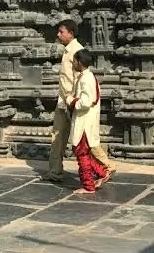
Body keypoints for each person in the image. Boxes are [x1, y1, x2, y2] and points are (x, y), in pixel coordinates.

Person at [46, 19, 117, 184]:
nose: (58, 35)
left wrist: (74, 102)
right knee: (58, 136)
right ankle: (55, 171)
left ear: (70, 33)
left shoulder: (77, 51)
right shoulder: (67, 50)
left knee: (84, 140)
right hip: (64, 101)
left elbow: (81, 78)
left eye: (61, 32)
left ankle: (106, 166)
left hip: (73, 102)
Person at [69, 49, 108, 194]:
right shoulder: (87, 76)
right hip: (85, 121)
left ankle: (88, 186)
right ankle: (102, 173)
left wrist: (71, 101)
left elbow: (86, 101)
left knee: (82, 153)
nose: (73, 63)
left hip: (84, 122)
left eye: (74, 61)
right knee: (82, 151)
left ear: (80, 62)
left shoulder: (86, 78)